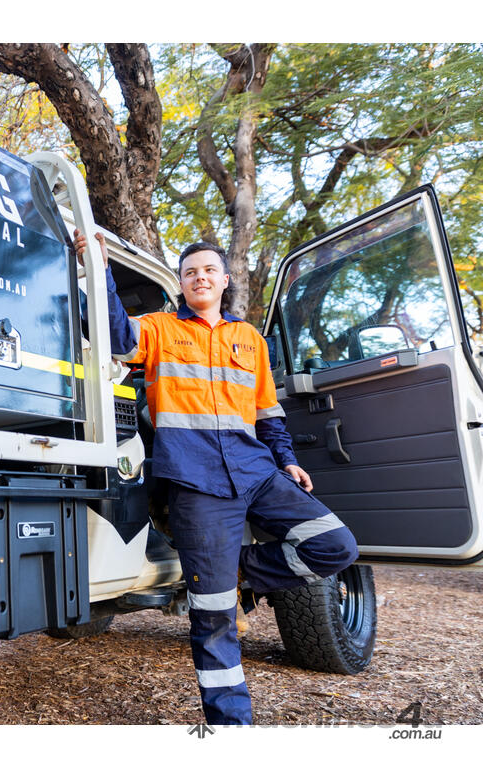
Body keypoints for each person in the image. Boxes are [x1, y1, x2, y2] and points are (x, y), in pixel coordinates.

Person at [73, 229, 358, 726]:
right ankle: (231, 726)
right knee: (214, 614)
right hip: (195, 480)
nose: (199, 277)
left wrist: (287, 459)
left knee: (335, 545)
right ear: (181, 284)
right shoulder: (160, 328)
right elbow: (115, 336)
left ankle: (237, 570)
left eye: (208, 270)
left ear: (225, 280)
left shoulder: (250, 340)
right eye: (189, 272)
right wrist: (97, 268)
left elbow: (267, 411)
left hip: (256, 471)